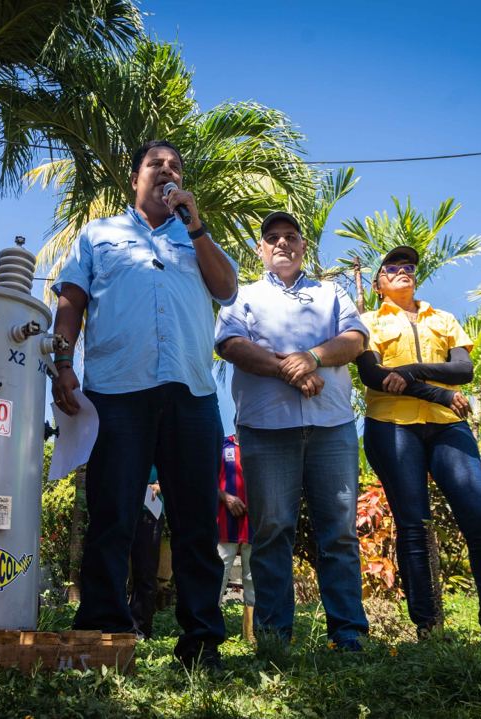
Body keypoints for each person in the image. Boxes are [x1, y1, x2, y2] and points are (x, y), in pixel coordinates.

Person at [51, 139, 238, 669]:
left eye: (175, 165)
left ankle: (201, 641)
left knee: (196, 519)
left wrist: (196, 226)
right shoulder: (99, 234)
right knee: (112, 513)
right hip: (117, 391)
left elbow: (226, 291)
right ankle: (101, 634)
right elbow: (70, 303)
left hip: (191, 393)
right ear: (134, 180)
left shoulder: (195, 237)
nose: (167, 171)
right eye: (156, 164)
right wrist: (62, 364)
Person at [215, 211, 370, 651]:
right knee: (272, 531)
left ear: (303, 246)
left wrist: (315, 358)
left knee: (339, 532)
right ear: (260, 250)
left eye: (290, 237)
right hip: (266, 430)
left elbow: (356, 339)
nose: (282, 243)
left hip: (332, 427)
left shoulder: (331, 291)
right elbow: (231, 346)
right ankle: (274, 638)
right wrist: (292, 369)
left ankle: (349, 636)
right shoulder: (241, 296)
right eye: (272, 238)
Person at [355, 246, 481, 640]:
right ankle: (428, 626)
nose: (403, 271)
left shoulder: (443, 318)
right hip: (391, 425)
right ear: (378, 284)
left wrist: (408, 372)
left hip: (447, 427)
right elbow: (373, 377)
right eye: (392, 268)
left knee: (480, 519)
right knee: (413, 525)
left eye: (408, 266)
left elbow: (462, 369)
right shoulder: (367, 322)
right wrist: (438, 393)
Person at [214, 434, 255, 643]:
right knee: (218, 576)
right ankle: (211, 632)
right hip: (224, 524)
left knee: (252, 580)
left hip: (254, 525)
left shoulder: (262, 443)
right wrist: (226, 497)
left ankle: (251, 636)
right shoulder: (222, 445)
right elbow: (207, 479)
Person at [127, 467, 164, 639]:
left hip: (151, 508)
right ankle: (114, 623)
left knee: (146, 571)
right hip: (125, 505)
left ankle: (140, 629)